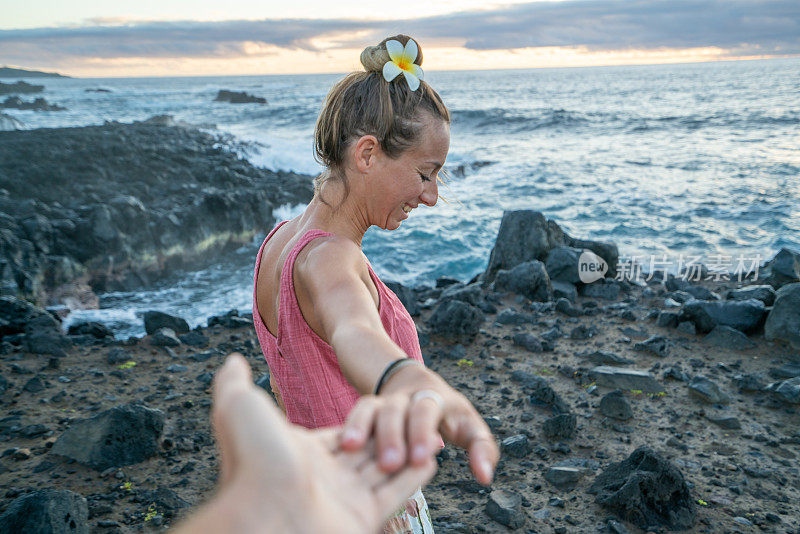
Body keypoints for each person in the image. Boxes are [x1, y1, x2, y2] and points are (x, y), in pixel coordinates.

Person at [252, 34, 499, 532]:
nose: (431, 196)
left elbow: (287, 384)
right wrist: (403, 378)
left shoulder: (278, 242)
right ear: (367, 154)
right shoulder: (330, 260)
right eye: (426, 174)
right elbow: (353, 330)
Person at [173, 353, 439, 534]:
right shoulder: (327, 269)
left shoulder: (266, 270)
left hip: (324, 462)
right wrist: (412, 378)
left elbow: (278, 383)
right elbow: (354, 327)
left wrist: (259, 511)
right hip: (369, 462)